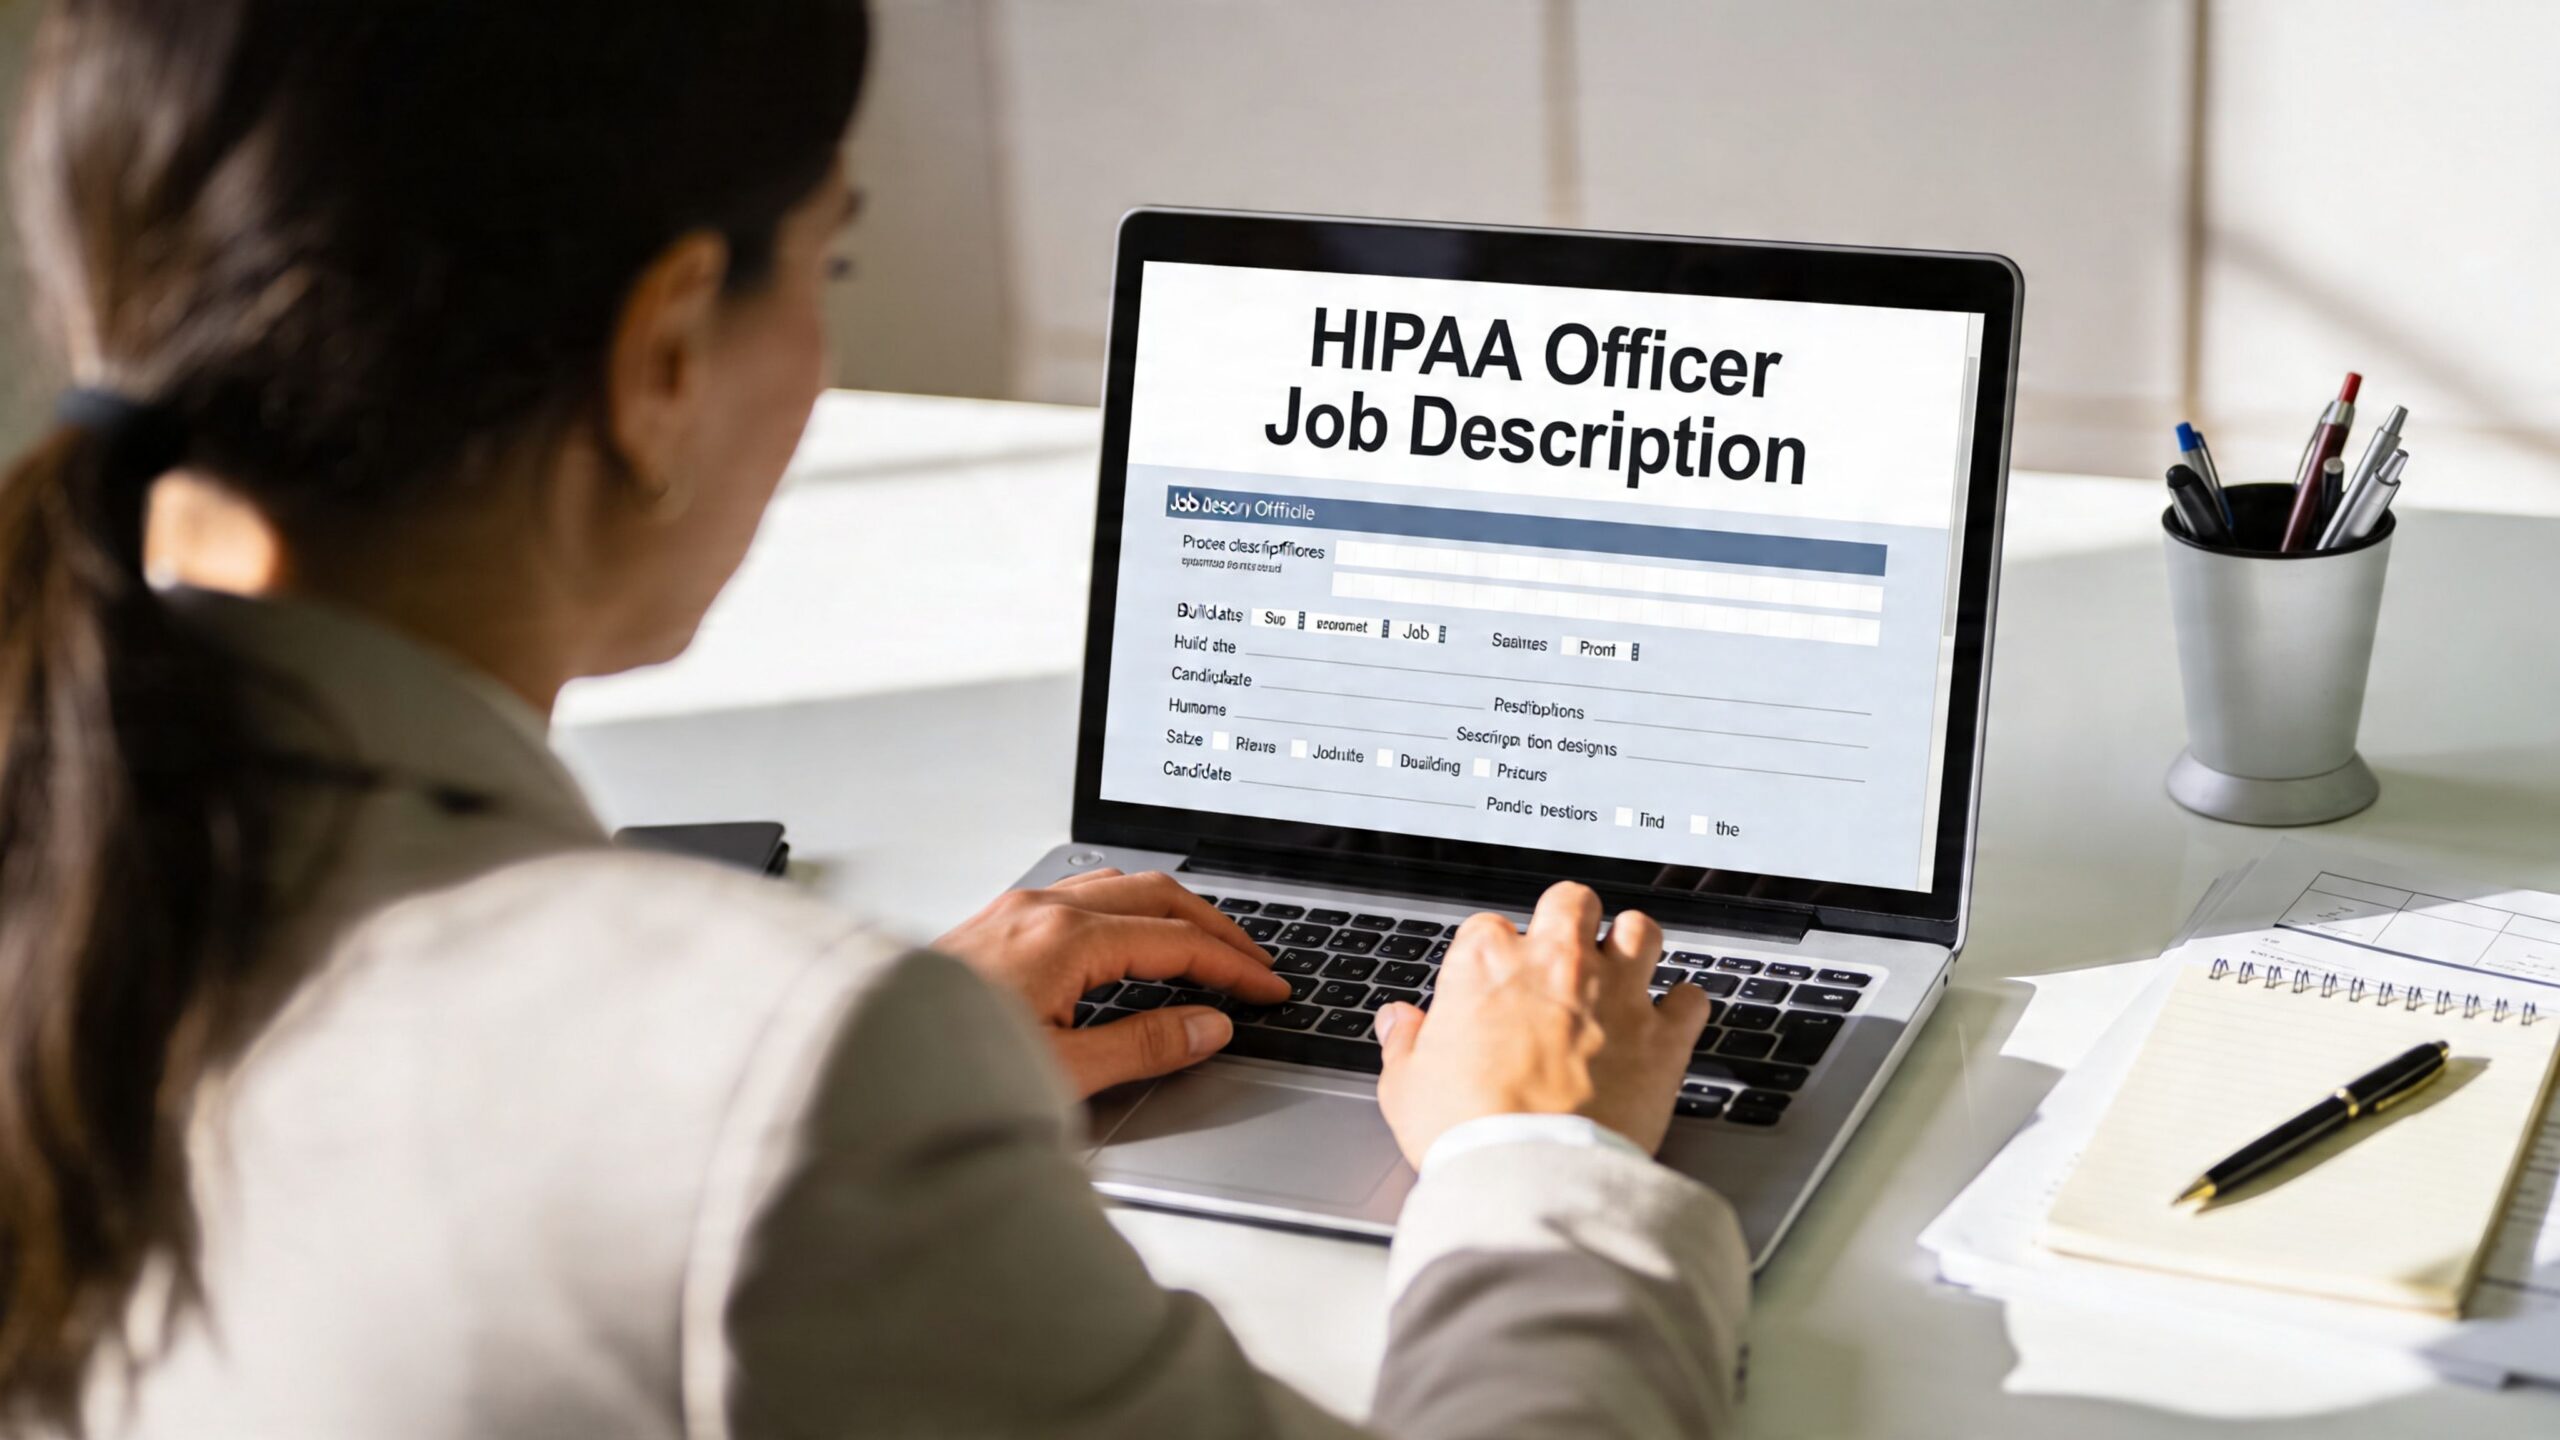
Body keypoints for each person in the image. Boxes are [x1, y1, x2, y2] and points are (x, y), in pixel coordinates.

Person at [0, 3, 1748, 1436]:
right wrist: (1544, 1153)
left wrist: (892, 1074)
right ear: (663, 353)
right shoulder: (778, 1085)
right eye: (826, 267)